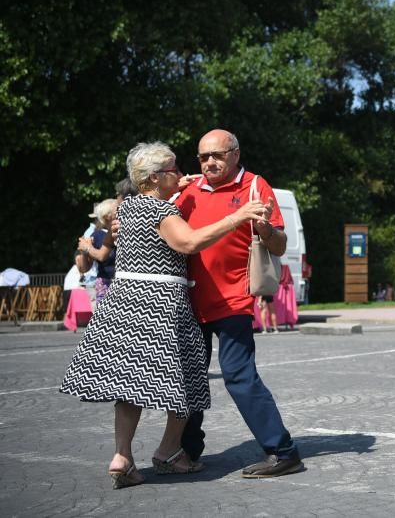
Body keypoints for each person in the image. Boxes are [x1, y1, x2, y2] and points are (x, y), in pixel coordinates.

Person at [60, 141, 268, 489]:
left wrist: (175, 189)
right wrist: (237, 217)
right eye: (173, 169)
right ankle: (169, 452)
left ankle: (122, 457)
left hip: (123, 302)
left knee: (128, 386)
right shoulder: (163, 213)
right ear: (155, 177)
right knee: (187, 380)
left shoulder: (125, 211)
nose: (182, 172)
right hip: (161, 302)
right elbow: (189, 243)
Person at [177, 129, 304, 478]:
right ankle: (186, 452)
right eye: (203, 157)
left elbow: (278, 246)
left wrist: (264, 229)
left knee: (238, 374)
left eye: (216, 155)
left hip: (234, 298)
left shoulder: (254, 186)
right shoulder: (187, 191)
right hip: (190, 302)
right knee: (190, 379)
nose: (209, 163)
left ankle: (283, 451)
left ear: (235, 153)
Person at [77, 198, 119, 304]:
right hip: (106, 283)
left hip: (124, 281)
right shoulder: (96, 235)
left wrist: (87, 248)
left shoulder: (122, 230)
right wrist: (84, 250)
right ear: (107, 216)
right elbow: (84, 268)